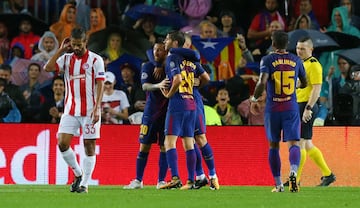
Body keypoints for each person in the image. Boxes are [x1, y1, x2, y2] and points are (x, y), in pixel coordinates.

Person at [43, 27, 105, 193]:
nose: (76, 48)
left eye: (79, 44)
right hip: (70, 109)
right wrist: (61, 50)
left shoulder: (95, 60)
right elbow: (47, 68)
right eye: (74, 44)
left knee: (89, 145)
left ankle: (84, 184)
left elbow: (100, 84)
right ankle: (78, 173)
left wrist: (97, 108)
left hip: (90, 110)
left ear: (86, 42)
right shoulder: (66, 59)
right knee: (62, 143)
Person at [250, 30, 307, 193]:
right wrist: (295, 86)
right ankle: (294, 173)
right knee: (294, 144)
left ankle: (278, 184)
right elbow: (304, 82)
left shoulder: (268, 59)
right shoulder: (296, 60)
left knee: (273, 145)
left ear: (273, 43)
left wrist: (254, 99)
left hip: (273, 109)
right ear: (287, 44)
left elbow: (262, 82)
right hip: (291, 107)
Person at [159, 31, 208, 190]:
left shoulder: (172, 58)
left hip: (178, 104)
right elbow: (205, 78)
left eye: (167, 39)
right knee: (189, 143)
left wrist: (168, 94)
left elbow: (178, 79)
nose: (164, 41)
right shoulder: (190, 60)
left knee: (169, 142)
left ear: (174, 43)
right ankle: (190, 181)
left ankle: (175, 178)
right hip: (191, 103)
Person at [123, 40, 170, 189]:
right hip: (150, 113)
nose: (157, 52)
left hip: (166, 114)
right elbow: (144, 85)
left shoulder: (170, 67)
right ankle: (138, 180)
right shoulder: (148, 66)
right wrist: (158, 85)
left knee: (164, 147)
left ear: (166, 52)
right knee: (144, 147)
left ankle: (161, 181)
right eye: (155, 49)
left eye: (160, 50)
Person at [293, 37, 336, 187]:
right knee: (308, 144)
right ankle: (328, 175)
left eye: (302, 49)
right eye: (298, 48)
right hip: (299, 104)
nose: (299, 51)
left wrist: (308, 108)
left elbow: (317, 89)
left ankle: (295, 180)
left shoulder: (314, 65)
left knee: (300, 143)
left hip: (307, 105)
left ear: (311, 50)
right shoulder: (301, 63)